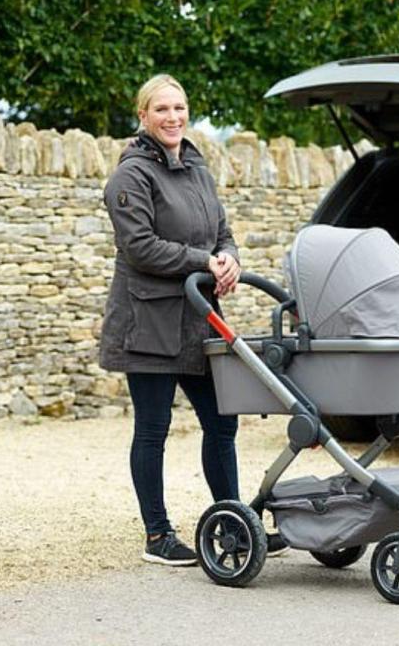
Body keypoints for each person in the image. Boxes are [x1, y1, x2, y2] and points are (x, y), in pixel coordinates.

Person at [100, 74, 285, 566]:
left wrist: (228, 258)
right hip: (149, 320)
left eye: (179, 108)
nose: (173, 117)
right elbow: (139, 247)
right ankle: (158, 535)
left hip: (200, 319)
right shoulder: (130, 176)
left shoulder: (198, 168)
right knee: (153, 428)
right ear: (143, 116)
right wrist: (204, 261)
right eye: (162, 109)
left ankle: (232, 521)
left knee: (223, 422)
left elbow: (221, 232)